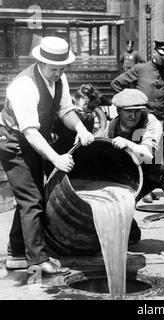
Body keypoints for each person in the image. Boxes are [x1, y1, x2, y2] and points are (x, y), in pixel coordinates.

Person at [0, 36, 95, 274]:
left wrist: (81, 128)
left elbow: (65, 110)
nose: (58, 73)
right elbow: (30, 132)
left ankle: (17, 252)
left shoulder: (59, 78)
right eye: (54, 68)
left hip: (34, 139)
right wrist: (56, 159)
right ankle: (38, 259)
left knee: (29, 198)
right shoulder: (24, 86)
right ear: (41, 62)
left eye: (62, 68)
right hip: (14, 142)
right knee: (32, 199)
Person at [101, 88, 164, 270]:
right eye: (128, 111)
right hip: (143, 172)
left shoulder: (151, 121)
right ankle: (132, 232)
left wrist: (128, 143)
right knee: (120, 201)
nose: (133, 115)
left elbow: (148, 152)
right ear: (118, 111)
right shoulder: (112, 127)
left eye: (137, 111)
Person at [112, 40, 164, 203]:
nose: (163, 59)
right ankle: (143, 189)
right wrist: (132, 100)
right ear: (154, 53)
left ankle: (154, 185)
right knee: (140, 154)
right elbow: (117, 83)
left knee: (158, 156)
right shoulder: (141, 69)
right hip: (141, 121)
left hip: (160, 122)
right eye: (161, 55)